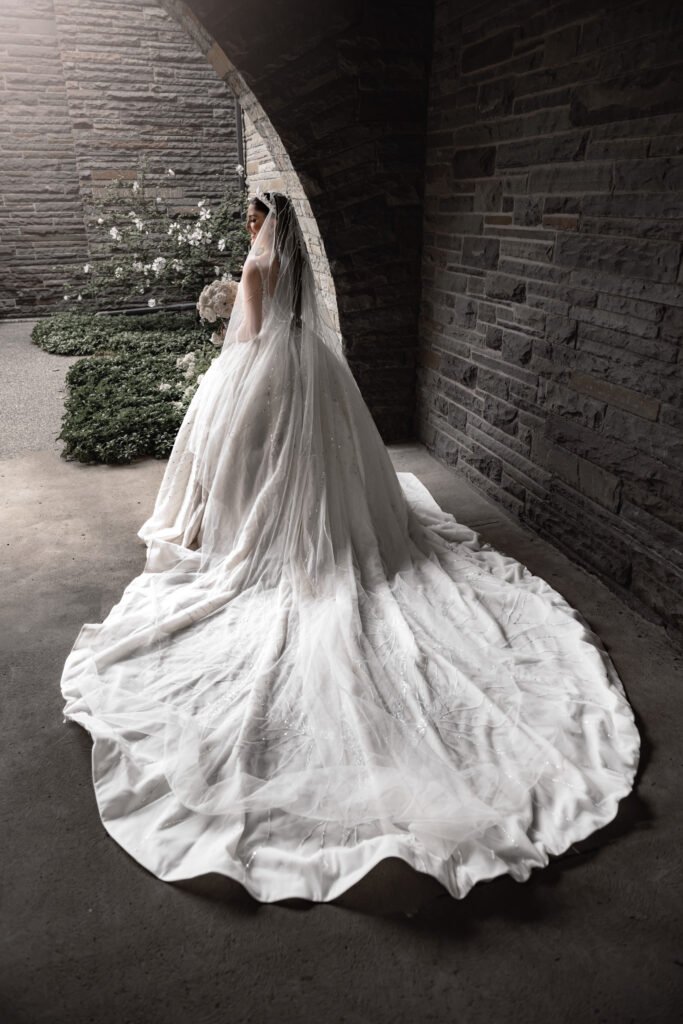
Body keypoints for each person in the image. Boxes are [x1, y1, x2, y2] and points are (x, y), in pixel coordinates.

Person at [60, 191, 640, 903]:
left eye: (250, 220)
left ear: (259, 225)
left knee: (249, 460)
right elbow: (294, 319)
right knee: (313, 462)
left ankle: (244, 532)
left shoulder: (252, 270)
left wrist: (222, 334)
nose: (247, 229)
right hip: (307, 364)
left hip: (259, 367)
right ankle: (315, 524)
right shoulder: (298, 266)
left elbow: (242, 334)